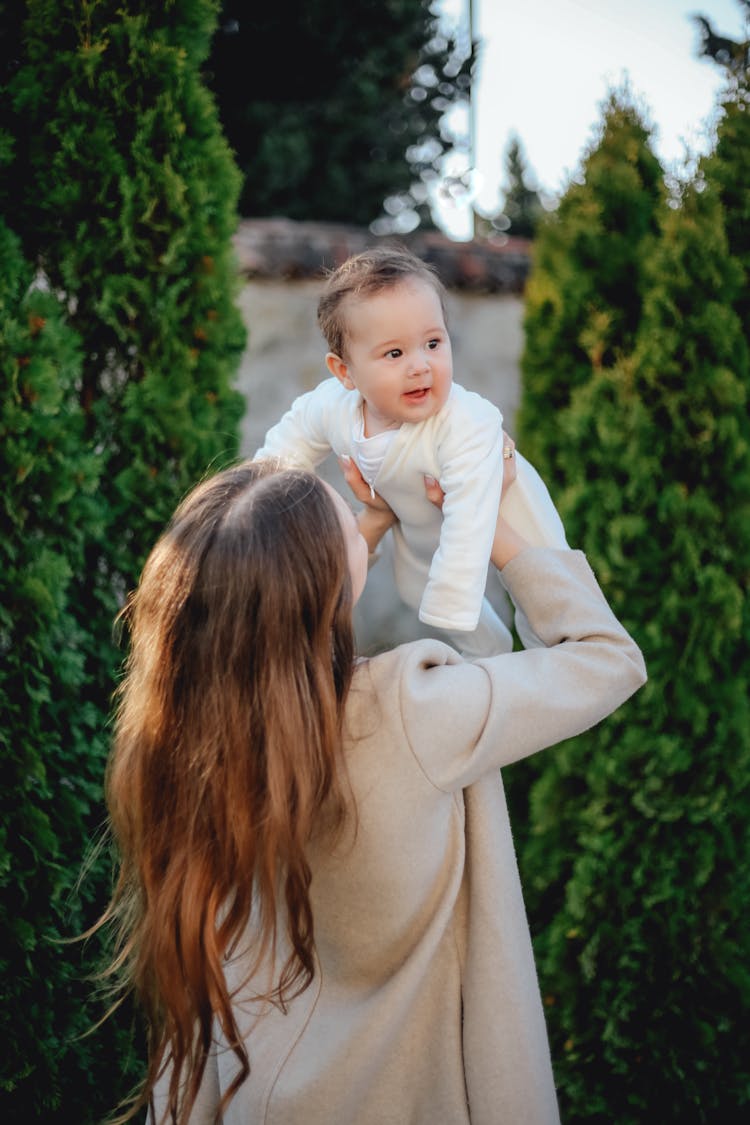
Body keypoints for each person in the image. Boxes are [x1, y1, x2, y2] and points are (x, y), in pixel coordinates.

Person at [96, 453, 646, 1125]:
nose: (361, 529)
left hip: (257, 1101)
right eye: (346, 526)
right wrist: (489, 527)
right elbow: (607, 658)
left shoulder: (189, 747)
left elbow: (268, 613)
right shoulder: (414, 713)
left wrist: (383, 521)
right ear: (327, 589)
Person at [254, 244, 568, 658]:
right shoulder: (333, 406)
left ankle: (555, 654)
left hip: (501, 513)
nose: (420, 366)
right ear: (345, 372)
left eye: (434, 344)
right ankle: (490, 656)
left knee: (543, 585)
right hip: (419, 527)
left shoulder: (465, 422)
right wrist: (257, 497)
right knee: (420, 590)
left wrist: (454, 598)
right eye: (395, 353)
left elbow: (472, 515)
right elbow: (289, 444)